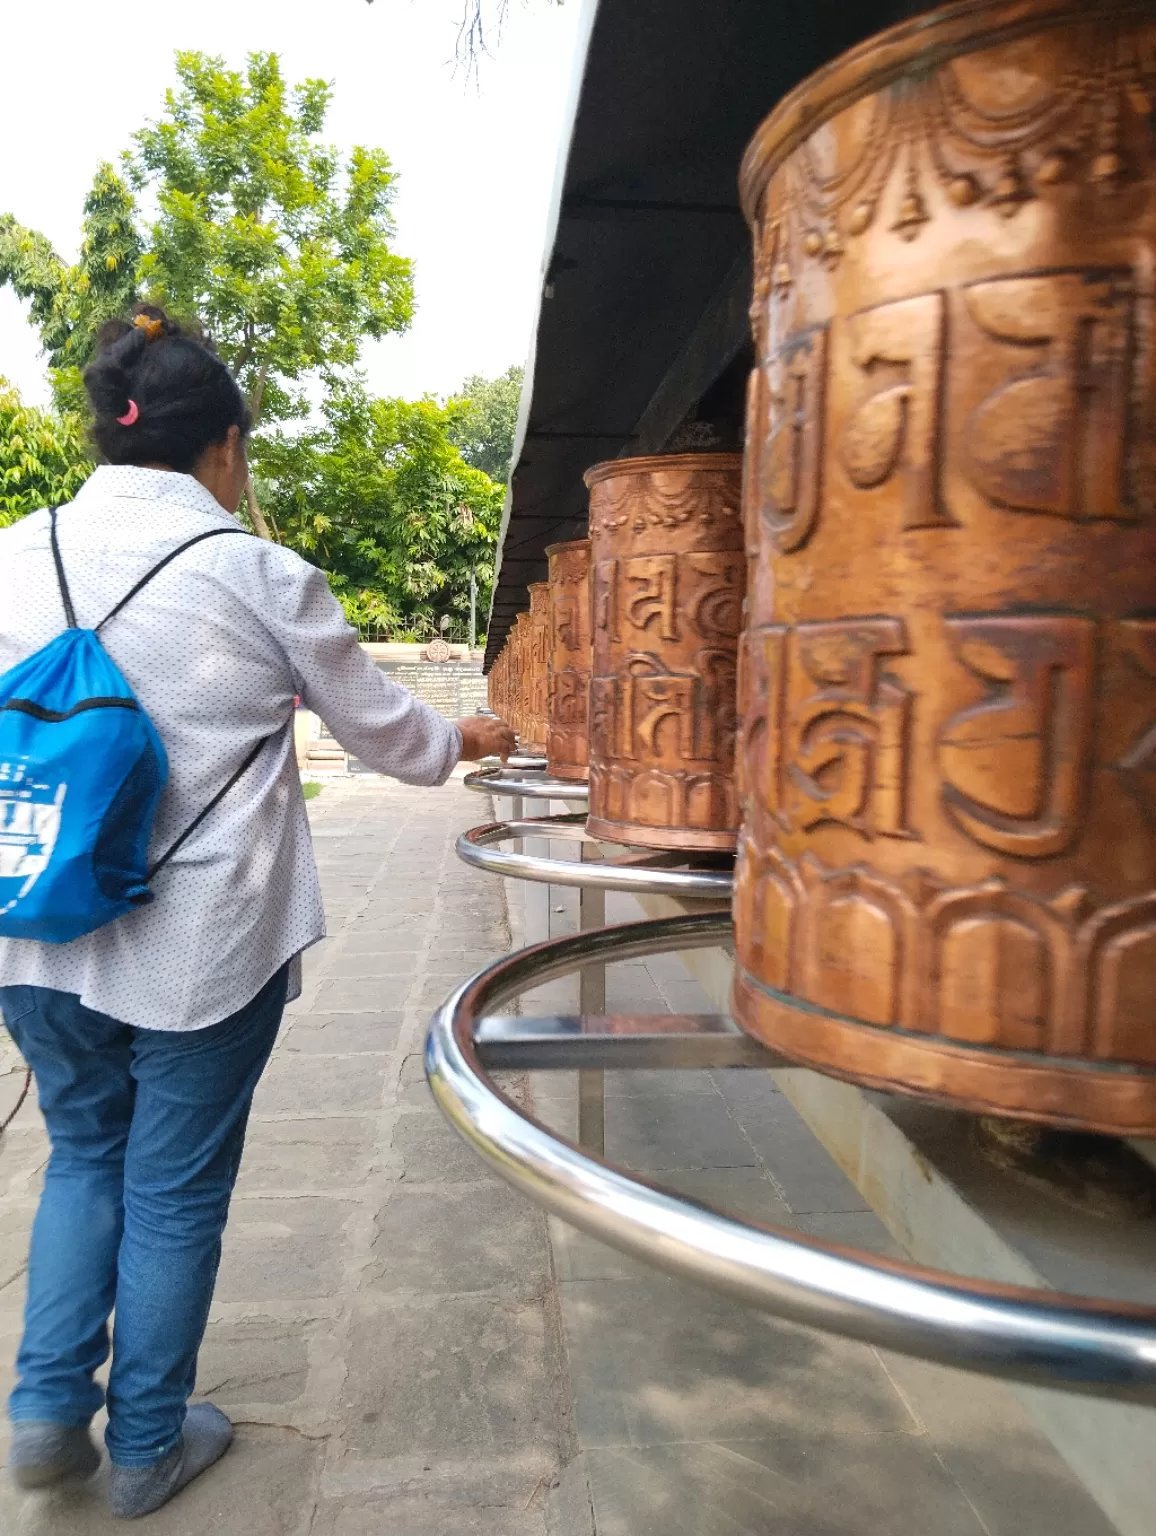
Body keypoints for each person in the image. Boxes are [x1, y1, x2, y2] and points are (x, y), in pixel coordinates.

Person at [0, 305, 514, 1519]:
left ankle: (40, 1413)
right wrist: (470, 738)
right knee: (174, 1188)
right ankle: (144, 1448)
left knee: (83, 1155)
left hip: (32, 924)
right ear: (223, 445)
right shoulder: (257, 572)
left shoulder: (14, 551)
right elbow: (392, 738)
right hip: (203, 945)